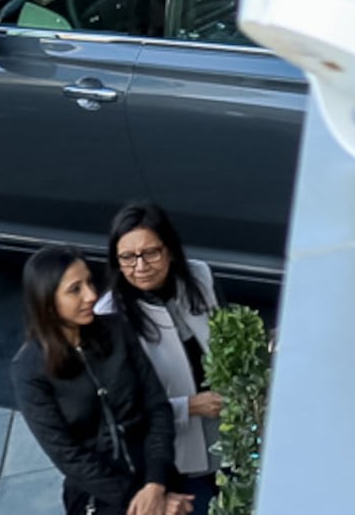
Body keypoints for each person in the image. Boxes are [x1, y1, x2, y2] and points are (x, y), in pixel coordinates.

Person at [11, 248, 189, 515]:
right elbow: (66, 454)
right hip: (100, 497)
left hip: (158, 478)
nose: (92, 295)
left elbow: (157, 407)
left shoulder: (117, 329)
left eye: (90, 282)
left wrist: (155, 485)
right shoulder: (28, 370)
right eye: (75, 289)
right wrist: (143, 503)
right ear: (47, 301)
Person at [101, 205, 224, 502]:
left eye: (151, 253)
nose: (140, 266)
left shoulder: (199, 276)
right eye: (128, 257)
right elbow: (120, 410)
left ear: (169, 250)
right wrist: (189, 407)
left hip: (228, 429)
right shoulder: (109, 316)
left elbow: (225, 340)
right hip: (176, 457)